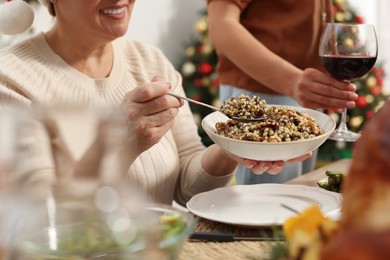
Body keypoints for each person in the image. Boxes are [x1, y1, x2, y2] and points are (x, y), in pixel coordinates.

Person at [0, 0, 311, 206]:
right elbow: (37, 220)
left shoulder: (148, 61)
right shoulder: (11, 80)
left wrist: (234, 145)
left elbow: (187, 186)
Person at [206, 0, 359, 184]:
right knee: (267, 207)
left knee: (294, 198)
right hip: (260, 100)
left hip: (305, 93)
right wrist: (292, 81)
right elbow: (221, 26)